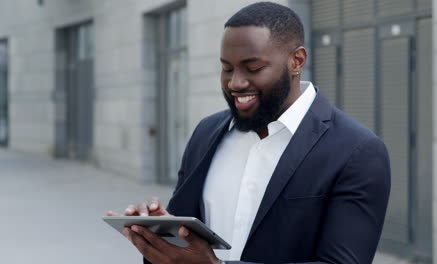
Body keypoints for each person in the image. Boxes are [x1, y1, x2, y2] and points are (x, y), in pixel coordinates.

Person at [107, 2, 391, 263]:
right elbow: (189, 245)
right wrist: (161, 237)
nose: (235, 83)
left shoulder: (357, 151)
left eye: (252, 68)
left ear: (297, 61)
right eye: (226, 68)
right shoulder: (207, 133)